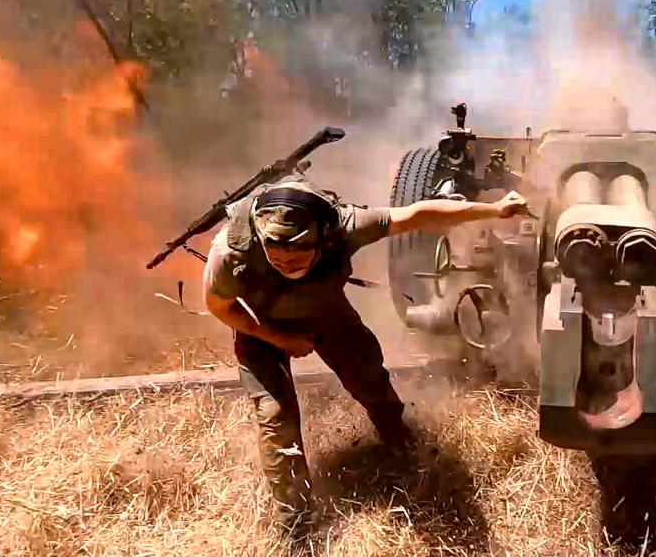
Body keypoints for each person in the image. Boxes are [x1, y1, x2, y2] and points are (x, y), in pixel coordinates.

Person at [202, 177, 528, 535]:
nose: (286, 266)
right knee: (276, 420)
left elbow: (417, 215)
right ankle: (296, 521)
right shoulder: (232, 249)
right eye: (276, 260)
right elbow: (219, 305)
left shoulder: (343, 226)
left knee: (370, 380)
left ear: (321, 237)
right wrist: (280, 338)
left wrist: (496, 210)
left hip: (327, 313)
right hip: (259, 328)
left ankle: (398, 440)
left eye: (297, 260)